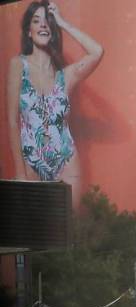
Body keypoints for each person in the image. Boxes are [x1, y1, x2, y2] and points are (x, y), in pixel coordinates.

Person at [7, 1, 102, 189]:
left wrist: (63, 22)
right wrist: (20, 173)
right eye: (36, 21)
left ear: (53, 30)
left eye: (47, 21)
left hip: (66, 161)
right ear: (28, 31)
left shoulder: (64, 77)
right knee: (34, 218)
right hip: (31, 160)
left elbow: (97, 51)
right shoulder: (18, 65)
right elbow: (11, 121)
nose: (43, 25)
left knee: (66, 219)